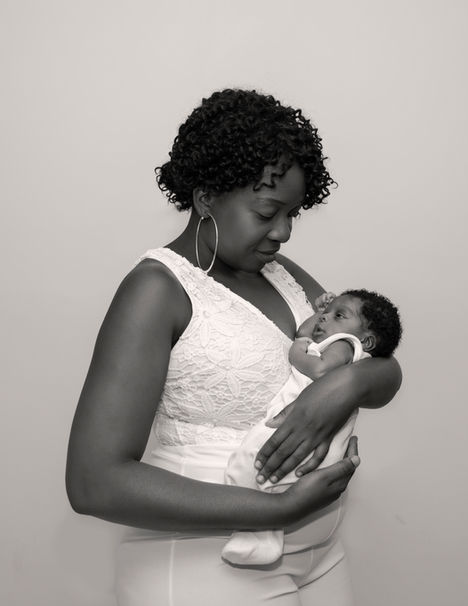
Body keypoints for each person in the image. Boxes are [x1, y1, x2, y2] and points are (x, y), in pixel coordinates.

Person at [65, 89, 402, 606]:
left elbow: (383, 366)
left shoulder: (283, 275)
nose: (283, 232)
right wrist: (281, 510)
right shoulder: (157, 290)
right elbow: (93, 482)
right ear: (206, 198)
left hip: (320, 558)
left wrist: (344, 386)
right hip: (208, 567)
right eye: (267, 212)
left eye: (293, 214)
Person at [222, 289, 402, 565]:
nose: (325, 318)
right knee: (257, 476)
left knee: (247, 465)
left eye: (339, 315)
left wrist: (296, 352)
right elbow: (303, 332)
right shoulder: (334, 338)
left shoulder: (344, 343)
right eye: (327, 313)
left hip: (300, 431)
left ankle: (260, 534)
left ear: (365, 340)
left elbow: (319, 370)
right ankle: (259, 536)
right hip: (305, 430)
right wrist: (322, 313)